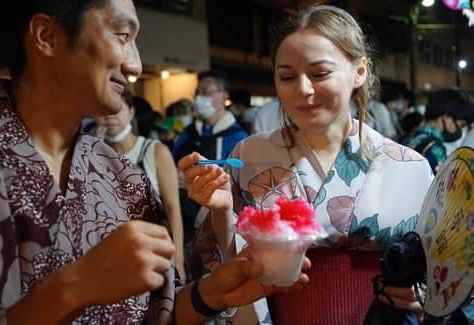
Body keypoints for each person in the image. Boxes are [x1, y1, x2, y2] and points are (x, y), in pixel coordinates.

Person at [0, 1, 311, 324]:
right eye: (123, 36)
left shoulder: (122, 175)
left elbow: (157, 312)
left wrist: (209, 295)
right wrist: (75, 286)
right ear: (46, 36)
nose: (136, 66)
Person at [179, 5, 434, 325]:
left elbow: (442, 270)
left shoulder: (409, 166)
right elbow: (223, 269)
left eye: (320, 73)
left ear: (360, 71)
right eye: (287, 76)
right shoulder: (250, 154)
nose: (302, 89)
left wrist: (424, 292)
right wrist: (221, 211)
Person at [95, 88, 187, 281]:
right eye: (103, 110)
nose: (110, 116)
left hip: (153, 252)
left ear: (131, 112)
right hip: (110, 256)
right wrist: (94, 148)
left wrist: (178, 257)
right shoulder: (91, 153)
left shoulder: (154, 151)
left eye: (116, 108)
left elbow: (172, 208)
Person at [172, 70, 249, 261]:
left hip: (218, 222)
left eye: (206, 92)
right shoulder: (188, 133)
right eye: (197, 92)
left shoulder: (239, 137)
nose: (200, 98)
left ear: (223, 97)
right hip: (184, 217)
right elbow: (172, 164)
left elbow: (243, 182)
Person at [406, 88, 468, 173]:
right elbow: (443, 184)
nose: (461, 130)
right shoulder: (435, 148)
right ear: (447, 117)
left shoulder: (414, 137)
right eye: (461, 125)